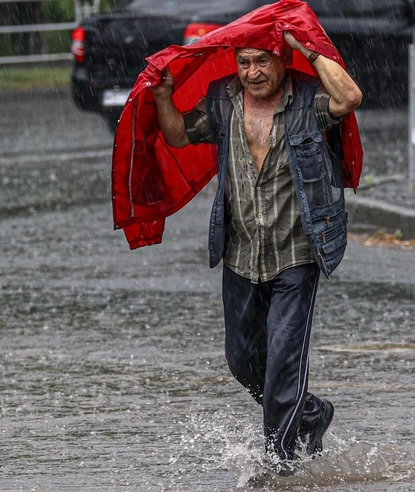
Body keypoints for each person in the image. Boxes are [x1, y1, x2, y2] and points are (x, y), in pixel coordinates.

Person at [148, 30, 362, 474]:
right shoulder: (222, 100)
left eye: (262, 61)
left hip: (298, 252)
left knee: (283, 361)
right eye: (244, 62)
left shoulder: (308, 99)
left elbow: (349, 98)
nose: (253, 72)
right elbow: (179, 136)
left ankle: (278, 463)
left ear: (282, 59)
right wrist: (164, 97)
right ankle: (309, 414)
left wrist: (307, 47)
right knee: (243, 359)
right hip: (241, 252)